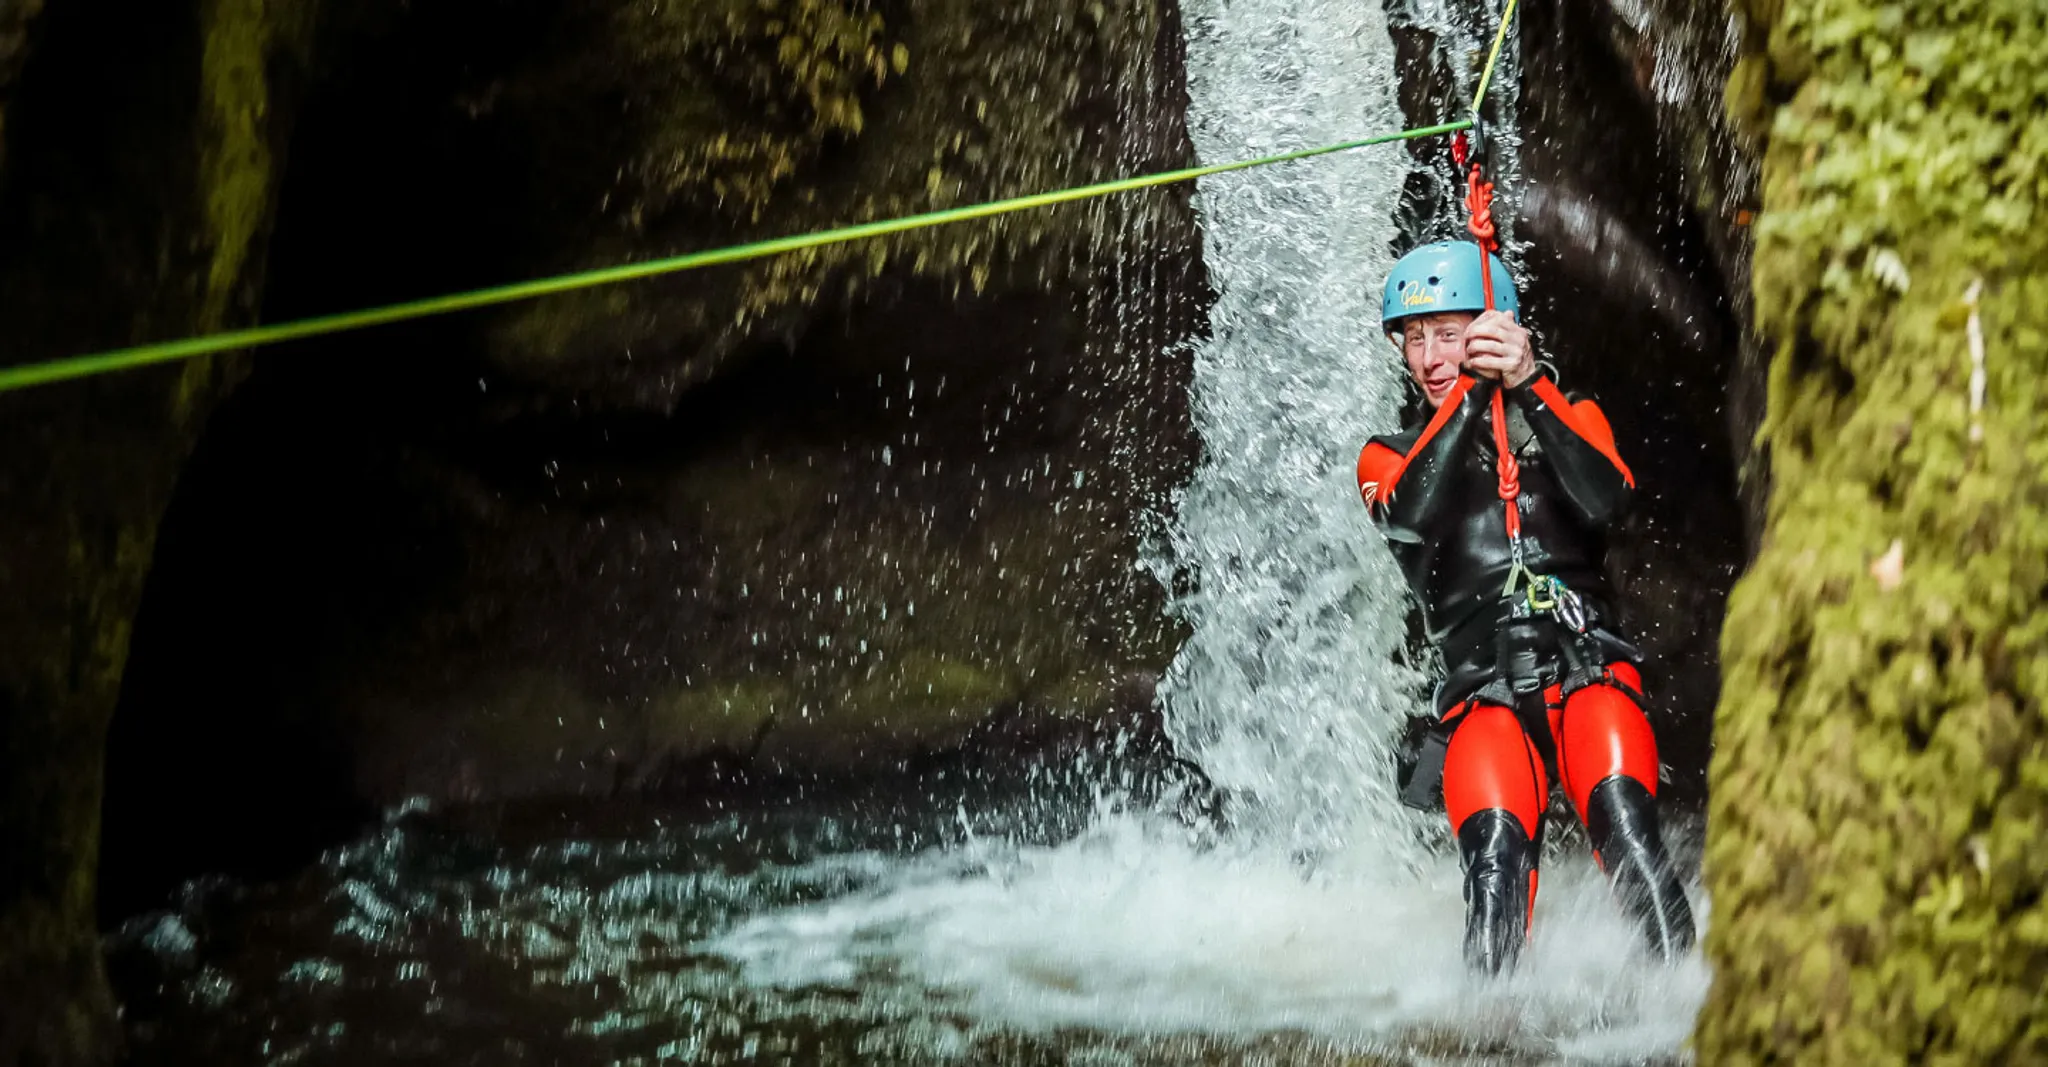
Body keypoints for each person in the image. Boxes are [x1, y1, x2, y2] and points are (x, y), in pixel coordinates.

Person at [1355, 240, 1696, 974]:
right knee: (1493, 867)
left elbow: (1610, 498)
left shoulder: (1573, 416)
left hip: (1588, 669)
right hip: (1484, 696)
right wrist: (1476, 391)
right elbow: (1411, 512)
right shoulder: (1386, 454)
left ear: (1495, 326)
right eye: (1416, 338)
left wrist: (1528, 382)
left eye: (1450, 332)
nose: (1431, 354)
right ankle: (1489, 1035)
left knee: (1628, 829)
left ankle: (1685, 1011)